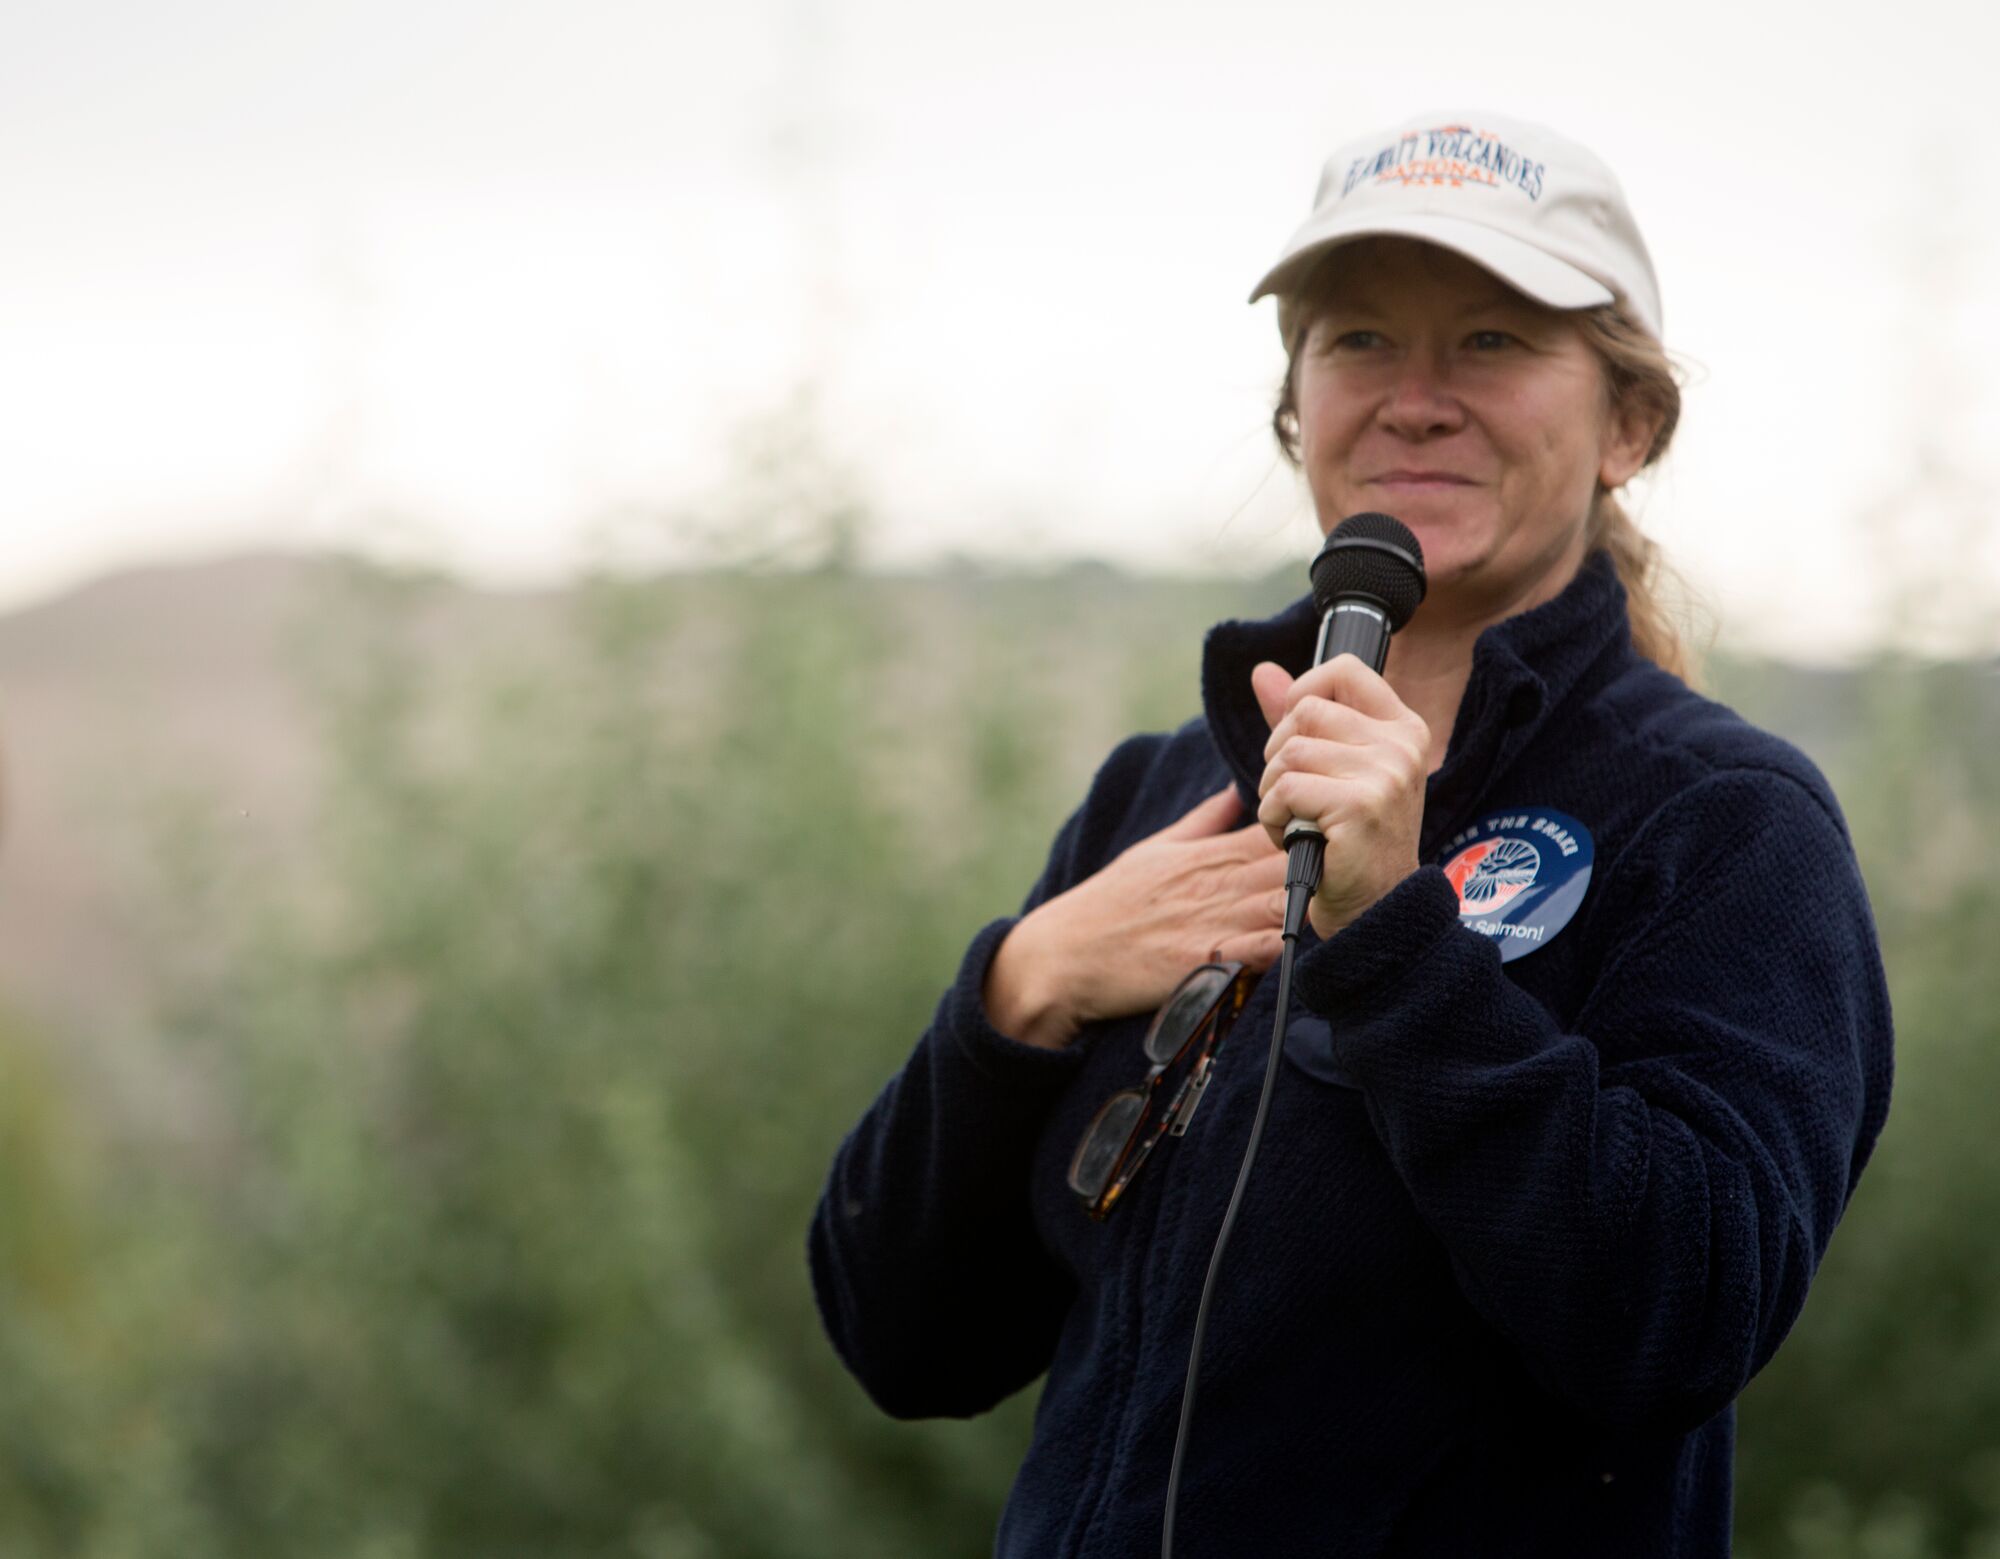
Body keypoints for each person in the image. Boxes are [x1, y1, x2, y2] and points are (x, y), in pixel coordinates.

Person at [807, 110, 1893, 1557]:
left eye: (1494, 342)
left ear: (1630, 425)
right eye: (1360, 340)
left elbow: (1674, 1324)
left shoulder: (1723, 823)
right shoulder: (1166, 793)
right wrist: (1024, 987)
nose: (1416, 398)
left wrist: (1396, 944)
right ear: (1296, 405)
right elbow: (904, 1339)